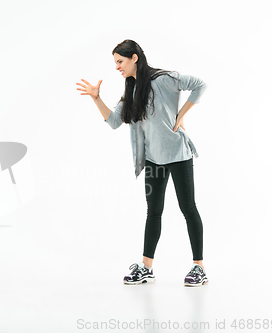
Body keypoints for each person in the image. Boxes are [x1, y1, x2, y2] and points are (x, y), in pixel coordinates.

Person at [76, 39, 208, 287]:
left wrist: (181, 115)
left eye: (120, 61)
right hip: (153, 160)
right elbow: (115, 121)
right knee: (153, 212)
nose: (117, 66)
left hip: (179, 154)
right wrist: (96, 98)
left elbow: (200, 85)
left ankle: (199, 268)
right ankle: (146, 268)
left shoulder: (165, 79)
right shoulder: (132, 90)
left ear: (134, 57)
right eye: (115, 62)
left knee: (188, 208)